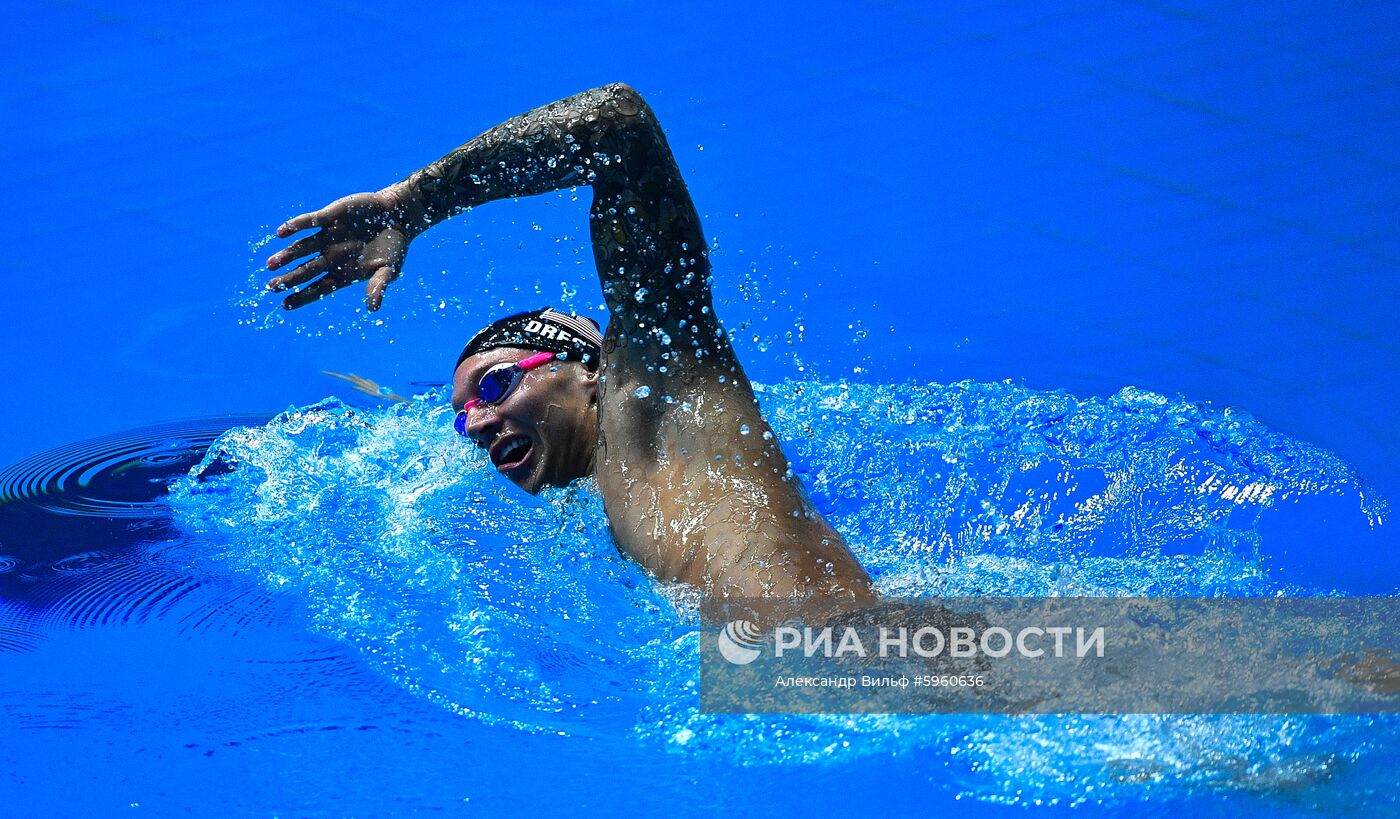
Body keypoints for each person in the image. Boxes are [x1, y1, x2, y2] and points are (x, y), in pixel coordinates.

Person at [266, 83, 871, 600]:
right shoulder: (615, 485)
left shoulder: (655, 405)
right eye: (464, 417)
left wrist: (413, 205)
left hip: (860, 668)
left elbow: (619, 124)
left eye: (496, 384)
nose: (477, 425)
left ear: (590, 372)